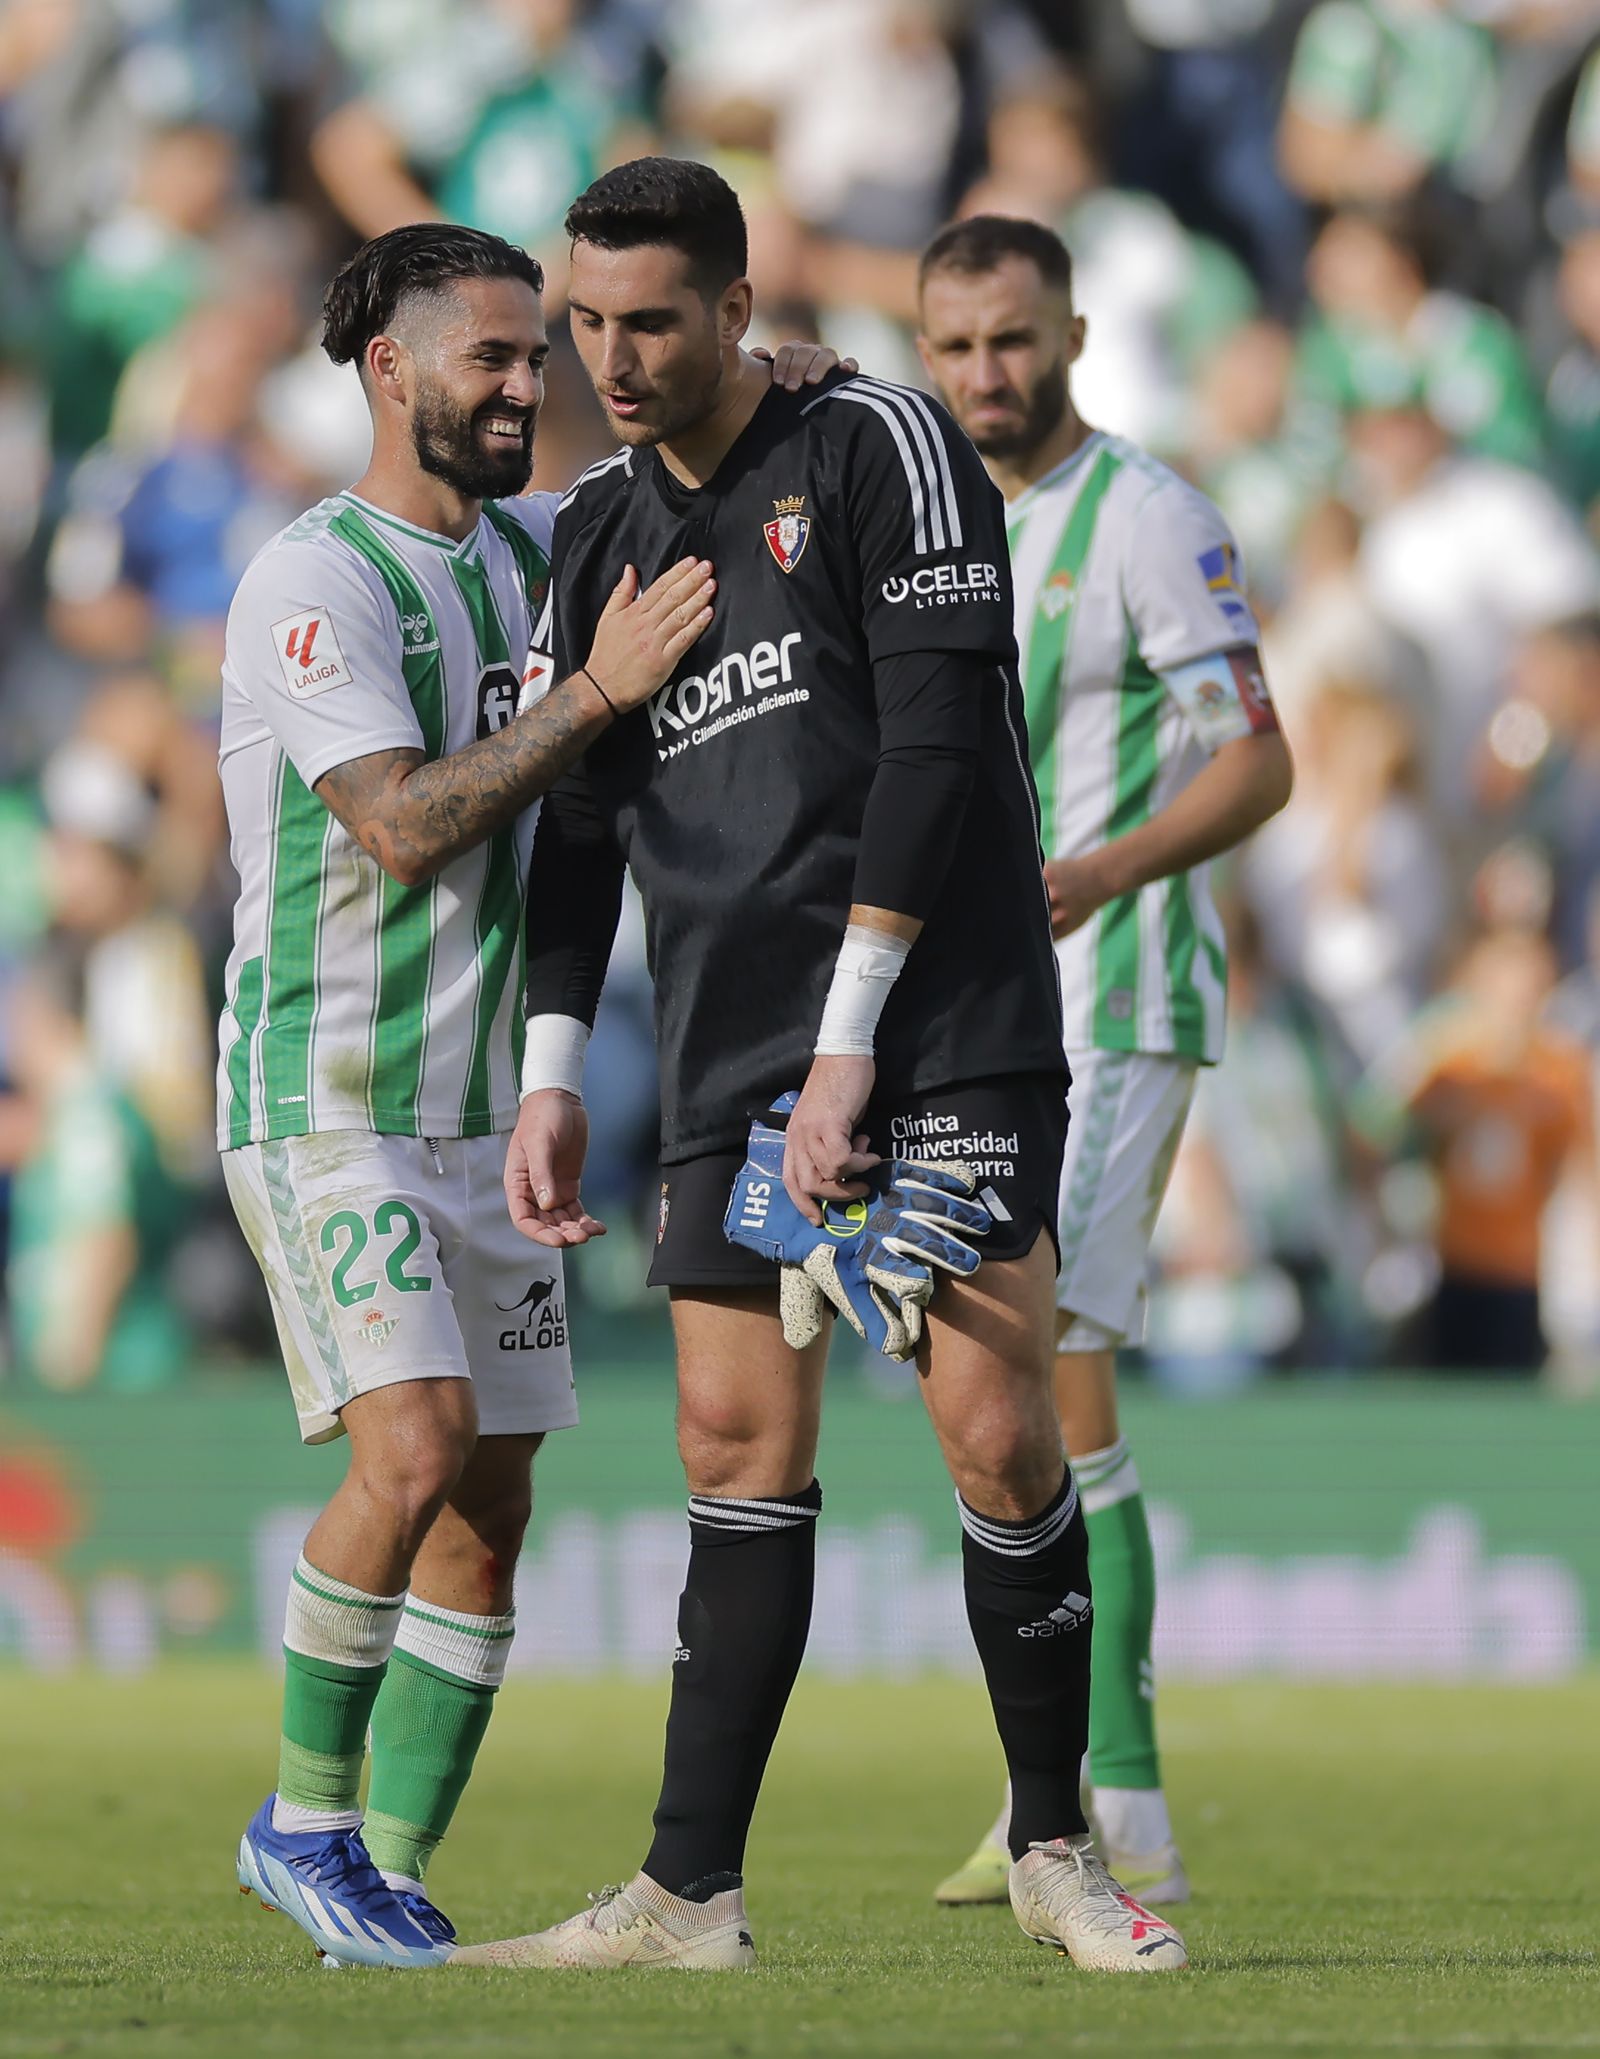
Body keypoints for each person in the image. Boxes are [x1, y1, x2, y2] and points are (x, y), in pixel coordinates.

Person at [455, 157, 1188, 1978]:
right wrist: (555, 1060)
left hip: (937, 1019)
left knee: (998, 1430)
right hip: (728, 1035)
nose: (608, 361)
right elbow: (581, 828)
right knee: (727, 1437)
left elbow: (940, 753)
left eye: (647, 323)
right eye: (585, 325)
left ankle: (1053, 1846)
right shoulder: (598, 530)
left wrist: (858, 1039)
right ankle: (689, 1895)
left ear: (732, 307)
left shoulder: (879, 445)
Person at [219, 218, 722, 1971]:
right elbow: (404, 825)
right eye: (495, 358)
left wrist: (792, 380)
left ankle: (393, 1879)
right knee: (414, 1447)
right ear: (391, 370)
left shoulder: (528, 558)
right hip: (326, 1097)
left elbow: (687, 479)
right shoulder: (315, 579)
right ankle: (300, 1827)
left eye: (541, 356)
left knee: (493, 1509)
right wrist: (598, 693)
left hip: (479, 1118)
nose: (533, 385)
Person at [914, 214, 1293, 1907]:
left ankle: (1112, 1804)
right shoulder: (933, 515)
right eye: (954, 347)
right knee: (1031, 1384)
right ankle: (1065, 1788)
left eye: (1011, 340)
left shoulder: (1148, 518)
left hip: (1113, 982)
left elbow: (1258, 761)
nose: (985, 374)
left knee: (1049, 1368)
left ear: (1068, 331)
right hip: (984, 1008)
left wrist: (1100, 870)